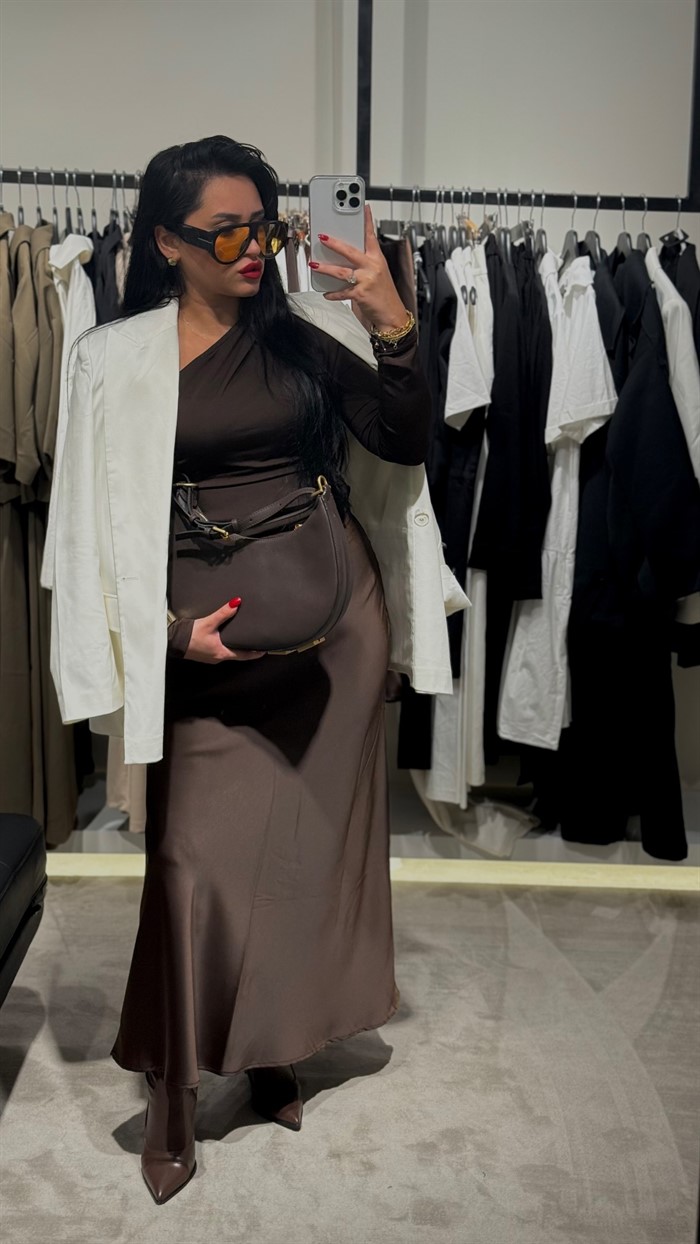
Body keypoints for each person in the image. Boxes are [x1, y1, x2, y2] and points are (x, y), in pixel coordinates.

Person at [57, 136, 431, 1205]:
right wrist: (166, 633)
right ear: (166, 243)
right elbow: (87, 527)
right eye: (224, 233)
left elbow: (402, 439)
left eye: (263, 226)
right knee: (188, 866)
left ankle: (272, 1049)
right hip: (202, 655)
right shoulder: (112, 358)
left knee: (297, 864)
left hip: (335, 642)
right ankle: (174, 1091)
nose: (253, 248)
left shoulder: (305, 331)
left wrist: (391, 320)